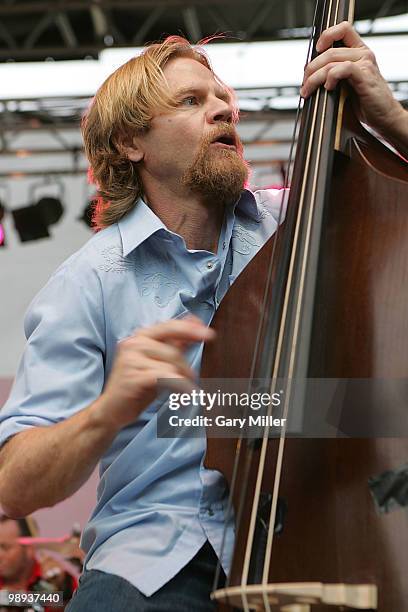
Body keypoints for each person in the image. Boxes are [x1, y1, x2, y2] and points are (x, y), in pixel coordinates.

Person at [0, 21, 407, 612]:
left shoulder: (303, 223)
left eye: (225, 101)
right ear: (130, 143)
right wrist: (109, 410)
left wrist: (391, 117)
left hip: (321, 532)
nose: (222, 112)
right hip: (156, 558)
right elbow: (14, 483)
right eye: (191, 101)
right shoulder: (87, 284)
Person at [0, 516, 77, 611]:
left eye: (5, 547)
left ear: (29, 549)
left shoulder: (57, 580)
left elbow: (67, 601)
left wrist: (63, 586)